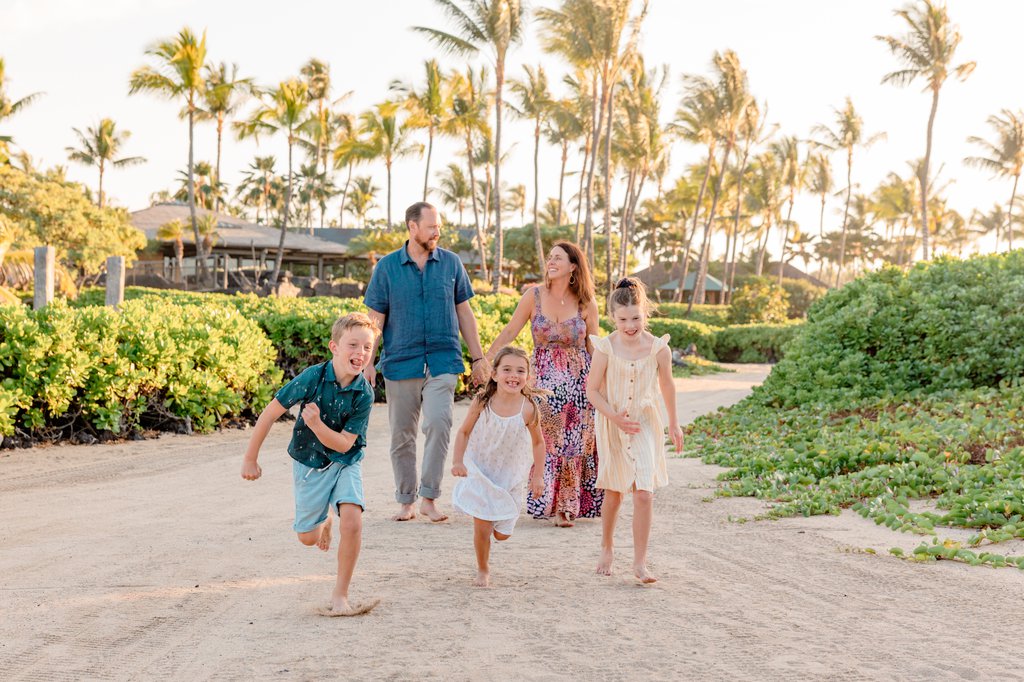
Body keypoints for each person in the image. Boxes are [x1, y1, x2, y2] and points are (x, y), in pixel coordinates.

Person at [240, 312, 379, 616]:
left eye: (367, 347)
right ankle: (324, 520)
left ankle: (340, 595)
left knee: (353, 521)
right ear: (334, 347)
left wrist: (316, 425)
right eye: (353, 345)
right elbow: (270, 412)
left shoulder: (364, 393)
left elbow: (344, 444)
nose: (361, 353)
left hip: (345, 461)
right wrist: (251, 458)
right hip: (310, 463)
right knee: (307, 538)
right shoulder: (312, 377)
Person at [363, 201, 490, 523]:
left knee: (439, 422)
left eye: (438, 227)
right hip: (400, 361)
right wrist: (367, 361)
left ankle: (429, 497)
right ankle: (406, 500)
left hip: (443, 360)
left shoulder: (451, 263)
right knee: (401, 435)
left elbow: (464, 312)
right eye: (431, 226)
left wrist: (478, 358)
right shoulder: (387, 267)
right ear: (412, 226)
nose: (437, 232)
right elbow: (374, 318)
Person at [485, 241, 602, 527]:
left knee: (574, 445)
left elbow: (594, 348)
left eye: (558, 258)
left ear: (573, 266)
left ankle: (567, 507)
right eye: (550, 257)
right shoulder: (533, 296)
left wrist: (602, 384)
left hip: (578, 385)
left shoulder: (586, 302)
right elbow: (511, 330)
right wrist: (487, 360)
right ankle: (543, 500)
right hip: (543, 384)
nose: (551, 261)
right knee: (545, 442)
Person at [586, 278, 684, 584]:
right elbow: (592, 391)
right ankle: (607, 546)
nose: (630, 325)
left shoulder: (658, 349)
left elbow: (667, 386)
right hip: (612, 424)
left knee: (644, 493)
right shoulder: (605, 347)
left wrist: (674, 422)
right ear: (613, 318)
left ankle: (640, 562)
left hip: (643, 423)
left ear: (645, 315)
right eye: (623, 319)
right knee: (614, 491)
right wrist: (615, 417)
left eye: (636, 318)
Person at [450, 346, 547, 587]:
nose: (513, 375)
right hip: (481, 470)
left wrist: (538, 477)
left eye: (520, 371)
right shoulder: (483, 401)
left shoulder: (528, 408)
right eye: (507, 369)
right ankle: (483, 569)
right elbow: (463, 432)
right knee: (482, 525)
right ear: (494, 374)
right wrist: (458, 461)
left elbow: (538, 443)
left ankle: (497, 525)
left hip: (510, 475)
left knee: (502, 534)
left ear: (528, 377)